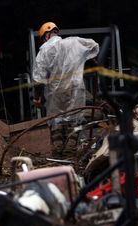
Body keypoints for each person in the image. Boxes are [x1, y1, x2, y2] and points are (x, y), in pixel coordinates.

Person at [32, 22, 99, 157]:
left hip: (55, 92)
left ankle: (58, 152)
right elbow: (94, 46)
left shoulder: (44, 50)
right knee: (75, 117)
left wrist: (37, 97)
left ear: (45, 36)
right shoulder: (74, 42)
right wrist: (92, 61)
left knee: (56, 120)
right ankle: (70, 150)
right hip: (76, 88)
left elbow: (38, 79)